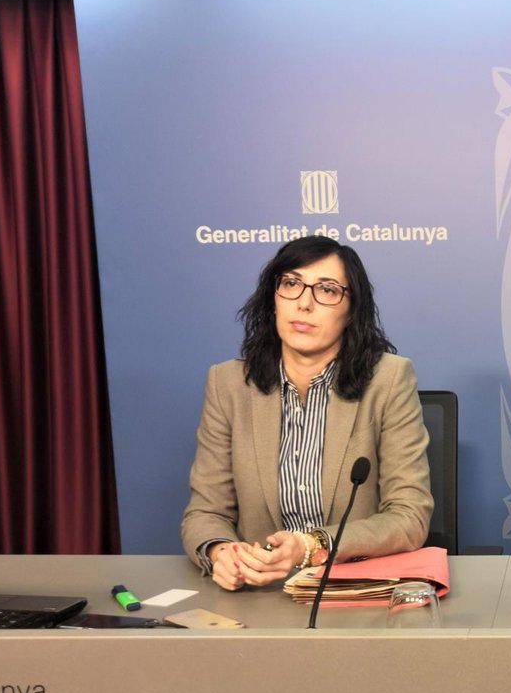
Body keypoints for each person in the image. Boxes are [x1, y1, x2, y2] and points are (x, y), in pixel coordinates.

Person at [181, 236, 433, 590]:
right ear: (272, 298)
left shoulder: (388, 380)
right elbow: (206, 512)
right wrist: (223, 553)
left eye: (327, 290)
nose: (304, 304)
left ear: (351, 311)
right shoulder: (228, 384)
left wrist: (312, 546)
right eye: (291, 284)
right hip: (260, 592)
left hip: (349, 590)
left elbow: (409, 516)